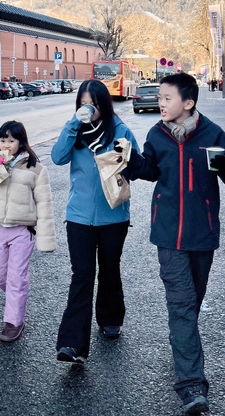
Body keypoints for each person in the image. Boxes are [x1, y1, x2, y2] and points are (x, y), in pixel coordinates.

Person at [126, 73, 225, 415]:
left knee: (193, 301)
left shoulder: (212, 133)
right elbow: (148, 170)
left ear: (188, 102)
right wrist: (130, 160)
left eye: (166, 97)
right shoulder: (156, 134)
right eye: (159, 97)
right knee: (181, 305)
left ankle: (183, 343)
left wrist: (224, 165)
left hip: (203, 233)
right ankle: (192, 386)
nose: (160, 103)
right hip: (168, 235)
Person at [51, 79, 139, 365]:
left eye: (94, 103)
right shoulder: (75, 132)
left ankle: (111, 317)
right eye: (84, 103)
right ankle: (71, 344)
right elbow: (57, 157)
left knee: (110, 268)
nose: (89, 108)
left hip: (114, 215)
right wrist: (73, 124)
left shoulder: (120, 130)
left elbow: (137, 168)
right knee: (82, 274)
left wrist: (124, 156)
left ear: (104, 103)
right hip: (78, 216)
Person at [0, 121, 56, 342]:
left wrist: (46, 239)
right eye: (3, 140)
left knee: (16, 278)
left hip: (23, 231)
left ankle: (13, 322)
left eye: (11, 140)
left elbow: (45, 204)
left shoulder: (36, 169)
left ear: (21, 142)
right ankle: (16, 298)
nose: (7, 144)